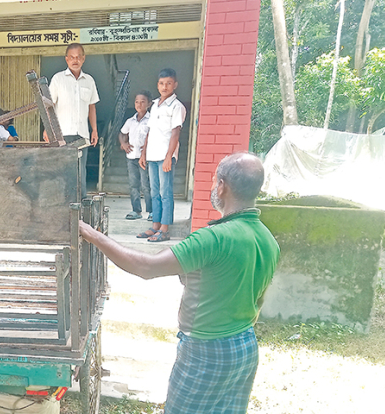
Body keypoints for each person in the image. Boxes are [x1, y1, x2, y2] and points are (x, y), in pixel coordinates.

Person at [80, 152, 280, 414]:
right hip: (244, 346)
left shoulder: (213, 239)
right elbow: (254, 295)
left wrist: (92, 235)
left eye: (213, 182)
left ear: (222, 185)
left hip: (205, 351)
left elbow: (145, 267)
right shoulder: (268, 239)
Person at [44, 42, 100, 200]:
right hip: (62, 134)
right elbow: (49, 105)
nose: (75, 60)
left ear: (83, 59)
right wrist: (47, 129)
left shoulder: (89, 81)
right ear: (66, 59)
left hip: (82, 135)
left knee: (80, 173)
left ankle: (79, 210)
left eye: (78, 57)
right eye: (72, 58)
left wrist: (94, 129)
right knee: (63, 171)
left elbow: (92, 107)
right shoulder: (58, 79)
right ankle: (63, 206)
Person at [137, 68, 186, 242]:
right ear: (158, 85)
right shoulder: (155, 105)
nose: (165, 87)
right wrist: (143, 154)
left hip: (166, 157)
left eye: (169, 83)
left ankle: (164, 230)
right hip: (152, 155)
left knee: (166, 193)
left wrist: (168, 157)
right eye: (161, 83)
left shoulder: (176, 106)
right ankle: (155, 226)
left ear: (175, 85)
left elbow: (175, 133)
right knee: (154, 192)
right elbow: (149, 132)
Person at [119, 91, 153, 220]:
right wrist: (124, 143)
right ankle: (136, 211)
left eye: (143, 101)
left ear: (149, 104)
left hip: (146, 158)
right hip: (131, 157)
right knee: (134, 185)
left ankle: (151, 211)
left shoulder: (151, 120)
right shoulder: (130, 121)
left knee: (146, 185)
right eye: (137, 102)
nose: (139, 104)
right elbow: (122, 133)